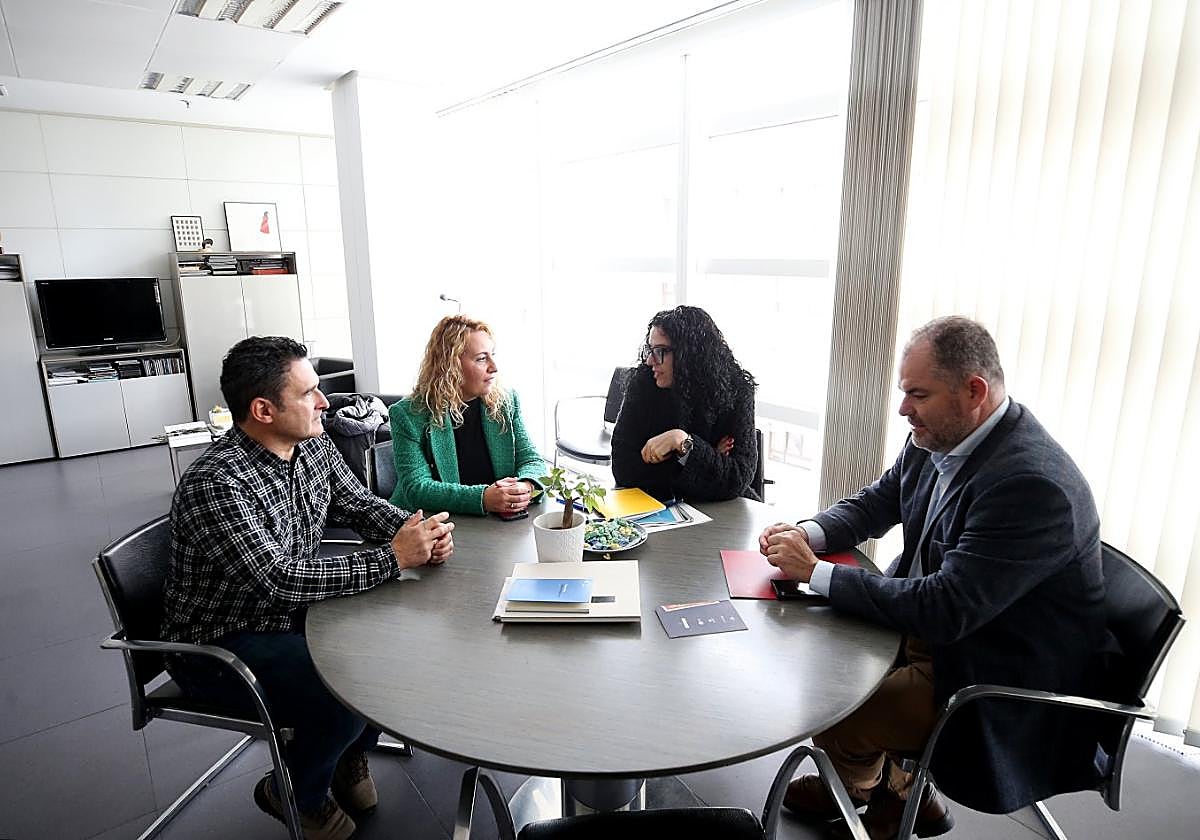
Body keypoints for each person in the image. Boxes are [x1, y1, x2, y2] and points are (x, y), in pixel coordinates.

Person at [758, 316, 1106, 839]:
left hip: (992, 670)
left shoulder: (1030, 485)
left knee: (833, 701)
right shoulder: (940, 435)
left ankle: (866, 788)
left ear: (974, 392)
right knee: (820, 655)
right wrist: (808, 533)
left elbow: (945, 609)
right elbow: (878, 502)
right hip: (947, 631)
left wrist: (815, 573)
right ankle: (891, 789)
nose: (903, 409)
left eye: (918, 394)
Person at [162, 336, 454, 840]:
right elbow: (278, 580)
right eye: (308, 393)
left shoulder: (311, 445)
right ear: (264, 410)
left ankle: (344, 754)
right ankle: (296, 793)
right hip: (219, 643)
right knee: (346, 689)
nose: (324, 402)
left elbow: (359, 506)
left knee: (388, 650)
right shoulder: (217, 483)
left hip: (292, 615)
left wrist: (418, 532)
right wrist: (394, 557)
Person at [389, 315, 544, 516]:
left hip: (494, 524)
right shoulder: (408, 414)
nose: (494, 367)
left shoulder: (506, 401)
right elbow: (417, 488)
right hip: (429, 523)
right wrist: (483, 498)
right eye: (481, 358)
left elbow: (532, 460)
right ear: (450, 366)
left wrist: (526, 486)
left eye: (492, 354)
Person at [611, 305, 758, 502]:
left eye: (660, 351)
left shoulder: (737, 390)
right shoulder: (643, 383)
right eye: (650, 350)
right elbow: (623, 469)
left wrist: (680, 441)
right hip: (661, 506)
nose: (649, 361)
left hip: (726, 509)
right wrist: (704, 457)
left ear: (690, 353)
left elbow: (737, 477)